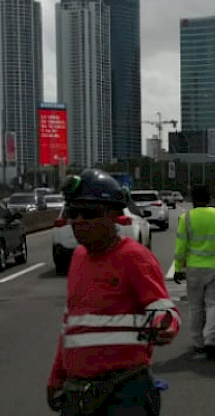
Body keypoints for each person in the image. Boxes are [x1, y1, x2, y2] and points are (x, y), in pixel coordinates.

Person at [47, 169, 180, 415]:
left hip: (124, 392)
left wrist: (163, 325)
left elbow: (162, 308)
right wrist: (56, 377)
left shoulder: (134, 257)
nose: (78, 221)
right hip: (79, 395)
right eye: (72, 213)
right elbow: (70, 326)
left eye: (89, 214)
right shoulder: (77, 259)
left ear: (113, 216)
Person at [173, 185, 215, 361]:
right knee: (214, 304)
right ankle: (211, 340)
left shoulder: (185, 218)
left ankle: (198, 344)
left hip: (194, 269)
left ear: (193, 200)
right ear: (209, 199)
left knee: (195, 306)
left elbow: (180, 247)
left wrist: (178, 268)